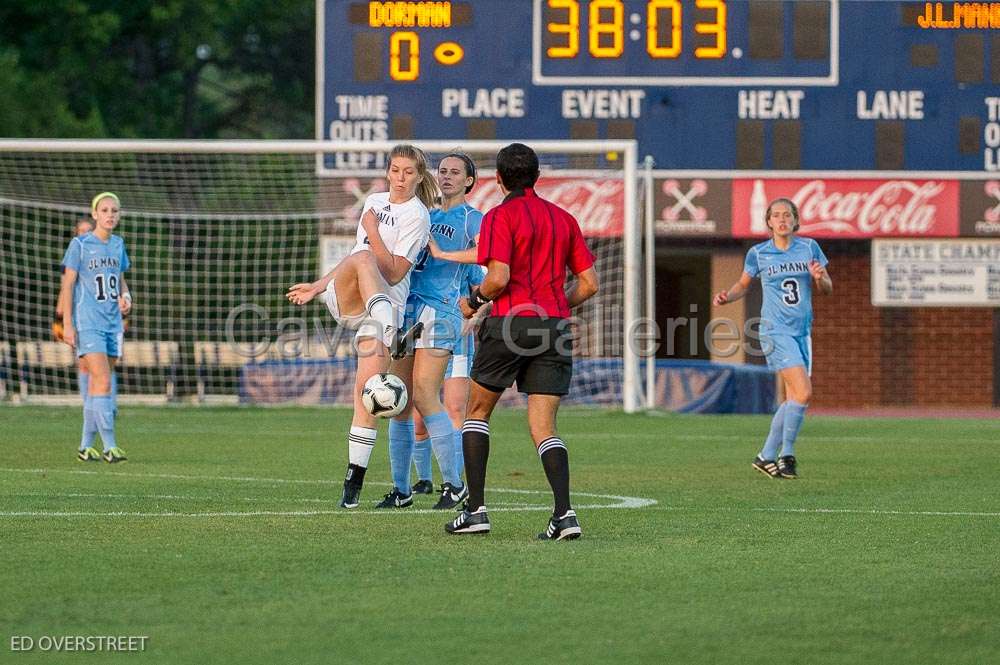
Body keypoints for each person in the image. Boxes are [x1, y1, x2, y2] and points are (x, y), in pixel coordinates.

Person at [444, 143, 600, 540]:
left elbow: (497, 278)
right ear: (537, 177)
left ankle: (475, 510)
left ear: (498, 179)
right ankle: (564, 514)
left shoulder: (499, 216)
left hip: (509, 323)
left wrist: (475, 299)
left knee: (476, 412)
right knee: (544, 426)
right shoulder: (564, 218)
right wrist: (553, 307)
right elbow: (590, 284)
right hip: (554, 326)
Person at [286, 144, 436, 508]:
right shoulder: (373, 203)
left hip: (384, 308)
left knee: (366, 395)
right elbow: (357, 257)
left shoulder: (417, 215)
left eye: (408, 172)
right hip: (351, 299)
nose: (400, 178)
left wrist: (374, 232)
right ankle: (392, 333)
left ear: (418, 177)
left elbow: (396, 271)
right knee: (363, 255)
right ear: (387, 172)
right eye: (395, 170)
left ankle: (352, 487)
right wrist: (318, 286)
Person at [381, 153, 483, 510]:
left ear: (470, 180)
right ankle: (401, 489)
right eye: (443, 171)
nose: (448, 176)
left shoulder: (473, 220)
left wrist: (473, 311)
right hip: (407, 311)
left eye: (456, 172)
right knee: (398, 401)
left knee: (426, 396)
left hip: (440, 313)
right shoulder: (424, 214)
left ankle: (455, 484)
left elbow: (486, 270)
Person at [713, 197, 832, 479]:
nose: (782, 220)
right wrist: (727, 296)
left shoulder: (809, 248)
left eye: (787, 215)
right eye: (776, 215)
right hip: (775, 330)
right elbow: (744, 284)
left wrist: (819, 277)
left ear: (795, 220)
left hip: (802, 331)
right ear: (768, 222)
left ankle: (766, 456)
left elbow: (827, 288)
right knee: (803, 392)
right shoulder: (759, 253)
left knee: (794, 398)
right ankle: (787, 456)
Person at [60, 194, 133, 463]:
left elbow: (120, 281)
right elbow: (68, 285)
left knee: (96, 385)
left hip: (112, 324)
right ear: (95, 214)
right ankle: (110, 447)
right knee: (102, 380)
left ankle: (85, 446)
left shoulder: (118, 245)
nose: (110, 214)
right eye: (104, 210)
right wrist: (68, 324)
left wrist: (127, 299)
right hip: (88, 323)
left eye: (114, 210)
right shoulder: (79, 245)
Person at [411, 263, 488, 496]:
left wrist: (474, 319)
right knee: (418, 415)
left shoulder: (465, 258)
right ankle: (423, 480)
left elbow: (487, 294)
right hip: (426, 335)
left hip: (458, 340)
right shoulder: (419, 253)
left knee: (455, 408)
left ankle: (452, 483)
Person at [54, 218, 96, 409]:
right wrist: (60, 316)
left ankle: (105, 402)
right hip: (79, 314)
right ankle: (88, 403)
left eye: (89, 230)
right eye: (82, 231)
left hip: (99, 313)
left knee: (105, 361)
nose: (85, 234)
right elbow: (66, 287)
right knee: (84, 361)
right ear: (76, 234)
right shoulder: (72, 256)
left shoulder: (103, 252)